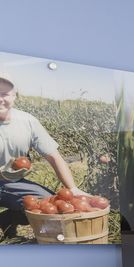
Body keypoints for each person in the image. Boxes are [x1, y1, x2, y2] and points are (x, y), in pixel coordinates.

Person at [0, 76, 84, 234]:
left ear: (14, 96)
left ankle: (7, 220)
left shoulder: (27, 121)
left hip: (12, 183)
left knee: (50, 206)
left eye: (4, 94)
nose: (0, 99)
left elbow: (54, 157)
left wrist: (72, 188)